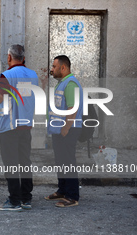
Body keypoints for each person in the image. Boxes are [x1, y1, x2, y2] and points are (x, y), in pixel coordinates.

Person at [0, 44, 39, 211]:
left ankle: (14, 201)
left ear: (9, 57)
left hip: (9, 126)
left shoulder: (7, 76)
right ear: (23, 58)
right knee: (24, 162)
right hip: (26, 126)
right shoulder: (33, 75)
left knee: (11, 164)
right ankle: (26, 198)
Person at [45, 55, 83, 207]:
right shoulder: (62, 83)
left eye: (54, 67)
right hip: (59, 130)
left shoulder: (71, 84)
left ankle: (72, 196)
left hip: (68, 130)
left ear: (63, 68)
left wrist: (66, 128)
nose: (51, 69)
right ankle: (62, 190)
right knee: (61, 161)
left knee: (68, 162)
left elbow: (72, 108)